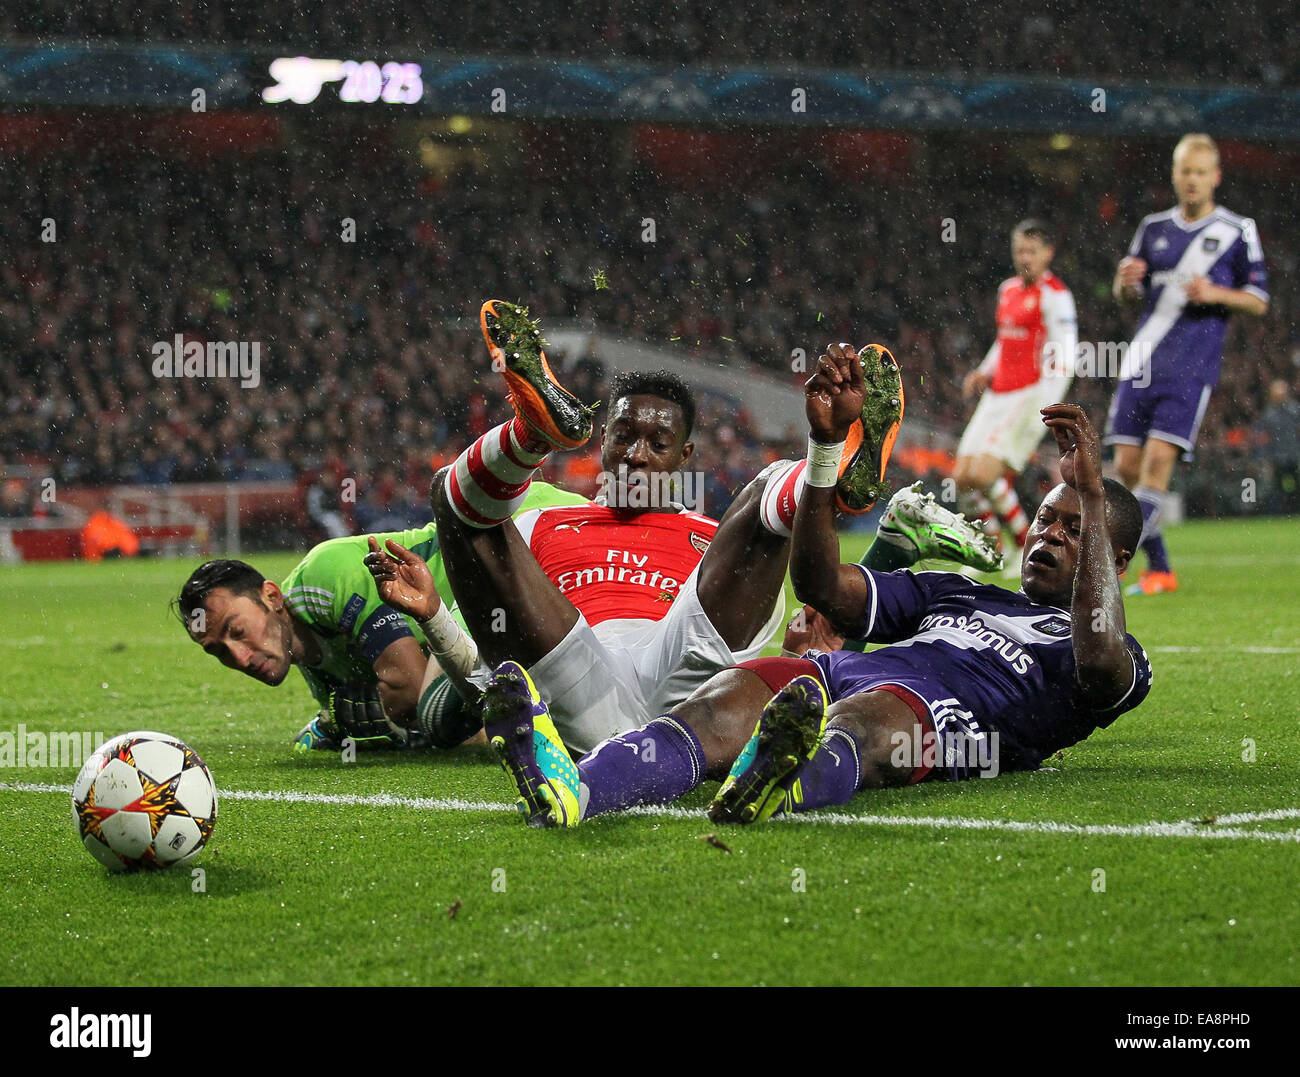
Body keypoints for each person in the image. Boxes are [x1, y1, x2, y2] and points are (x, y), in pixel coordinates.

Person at [479, 348, 1150, 828]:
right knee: (710, 711)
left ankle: (776, 780)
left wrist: (1092, 491)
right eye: (1045, 520)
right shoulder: (959, 591)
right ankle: (574, 792)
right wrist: (825, 454)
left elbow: (1097, 659)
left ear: (1113, 561)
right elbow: (822, 585)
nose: (1048, 536)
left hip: (940, 710)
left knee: (864, 723)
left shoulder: (1112, 653)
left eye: (1074, 530)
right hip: (836, 671)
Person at [365, 301, 907, 758]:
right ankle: (532, 430)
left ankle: (834, 461)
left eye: (658, 444)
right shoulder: (540, 522)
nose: (636, 456)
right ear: (600, 441)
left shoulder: (713, 535)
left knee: (767, 493)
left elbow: (745, 673)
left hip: (685, 686)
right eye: (623, 435)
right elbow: (490, 677)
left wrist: (799, 657)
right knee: (453, 499)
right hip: (574, 668)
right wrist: (436, 617)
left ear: (685, 456)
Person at [174, 479, 586, 752]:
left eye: (237, 631)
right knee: (458, 720)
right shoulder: (318, 673)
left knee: (438, 712)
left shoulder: (323, 574)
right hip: (498, 585)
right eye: (220, 652)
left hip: (522, 529)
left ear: (271, 596)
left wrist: (364, 726)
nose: (240, 657)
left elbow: (406, 691)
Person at [1107, 133, 1269, 595]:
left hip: (1190, 367)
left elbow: (1258, 299)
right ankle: (1159, 569)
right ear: (1175, 175)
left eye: (1201, 172)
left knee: (1159, 463)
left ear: (1215, 177)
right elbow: (1128, 299)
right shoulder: (1153, 228)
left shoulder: (1237, 230)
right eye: (1185, 171)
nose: (1192, 180)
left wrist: (1215, 293)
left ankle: (1108, 570)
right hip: (1141, 360)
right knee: (1127, 470)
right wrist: (1124, 283)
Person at [954, 219, 1077, 567]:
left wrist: (1048, 403)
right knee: (962, 477)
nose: (1024, 257)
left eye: (1032, 251)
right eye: (1019, 250)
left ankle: (1019, 546)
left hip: (1027, 395)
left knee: (983, 475)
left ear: (1048, 253)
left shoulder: (1056, 296)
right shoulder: (1007, 289)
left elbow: (1065, 355)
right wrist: (984, 370)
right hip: (996, 394)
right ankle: (997, 547)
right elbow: (1004, 339)